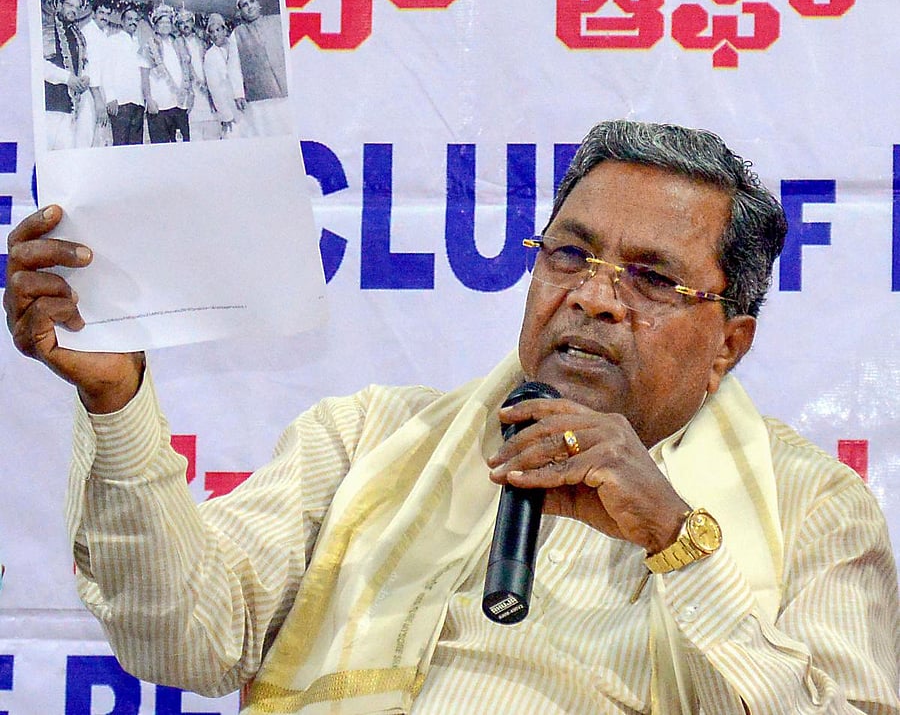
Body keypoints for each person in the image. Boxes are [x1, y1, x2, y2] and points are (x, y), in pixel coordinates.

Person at [5, 120, 899, 714]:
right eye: (571, 254)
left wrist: (673, 535)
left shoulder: (812, 507)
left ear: (728, 344)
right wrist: (115, 398)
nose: (593, 298)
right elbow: (181, 639)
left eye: (652, 279)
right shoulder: (367, 438)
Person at [230, 0, 291, 136]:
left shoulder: (278, 22)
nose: (249, 7)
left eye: (252, 2)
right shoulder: (237, 34)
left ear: (258, 4)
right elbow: (234, 67)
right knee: (268, 131)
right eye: (244, 5)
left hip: (287, 89)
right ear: (240, 11)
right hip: (259, 96)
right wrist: (238, 94)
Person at [42, 0, 91, 150]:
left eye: (77, 8)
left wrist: (85, 77)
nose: (74, 10)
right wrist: (67, 78)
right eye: (70, 5)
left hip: (71, 110)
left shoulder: (78, 36)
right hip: (49, 107)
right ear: (59, 5)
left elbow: (83, 64)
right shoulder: (46, 29)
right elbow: (39, 66)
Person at [140, 1, 193, 143]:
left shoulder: (179, 43)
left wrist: (190, 94)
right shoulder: (149, 46)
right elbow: (144, 75)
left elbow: (187, 70)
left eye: (168, 22)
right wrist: (149, 99)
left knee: (183, 149)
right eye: (161, 22)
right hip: (159, 106)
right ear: (155, 25)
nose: (165, 25)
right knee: (161, 152)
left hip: (179, 104)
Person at [103, 4, 146, 146]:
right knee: (121, 147)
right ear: (122, 22)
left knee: (136, 149)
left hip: (138, 103)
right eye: (129, 19)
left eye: (136, 20)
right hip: (121, 103)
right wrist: (110, 97)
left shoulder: (139, 44)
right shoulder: (112, 41)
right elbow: (106, 69)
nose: (133, 22)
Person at [75, 0, 115, 148]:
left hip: (98, 93)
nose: (104, 17)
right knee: (85, 137)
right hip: (89, 93)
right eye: (101, 13)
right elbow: (90, 69)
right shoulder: (89, 33)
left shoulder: (101, 34)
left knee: (97, 138)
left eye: (107, 13)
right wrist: (98, 100)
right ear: (93, 14)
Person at [175, 7, 218, 141]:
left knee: (214, 137)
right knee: (195, 139)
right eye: (182, 23)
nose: (185, 25)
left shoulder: (202, 41)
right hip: (190, 96)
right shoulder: (176, 44)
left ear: (192, 23)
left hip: (209, 94)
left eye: (188, 21)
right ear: (178, 26)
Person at [203, 12, 247, 139]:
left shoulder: (235, 46)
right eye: (212, 32)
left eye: (218, 30)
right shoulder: (210, 55)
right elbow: (214, 89)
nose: (215, 34)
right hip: (230, 110)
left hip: (246, 104)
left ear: (224, 29)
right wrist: (226, 115)